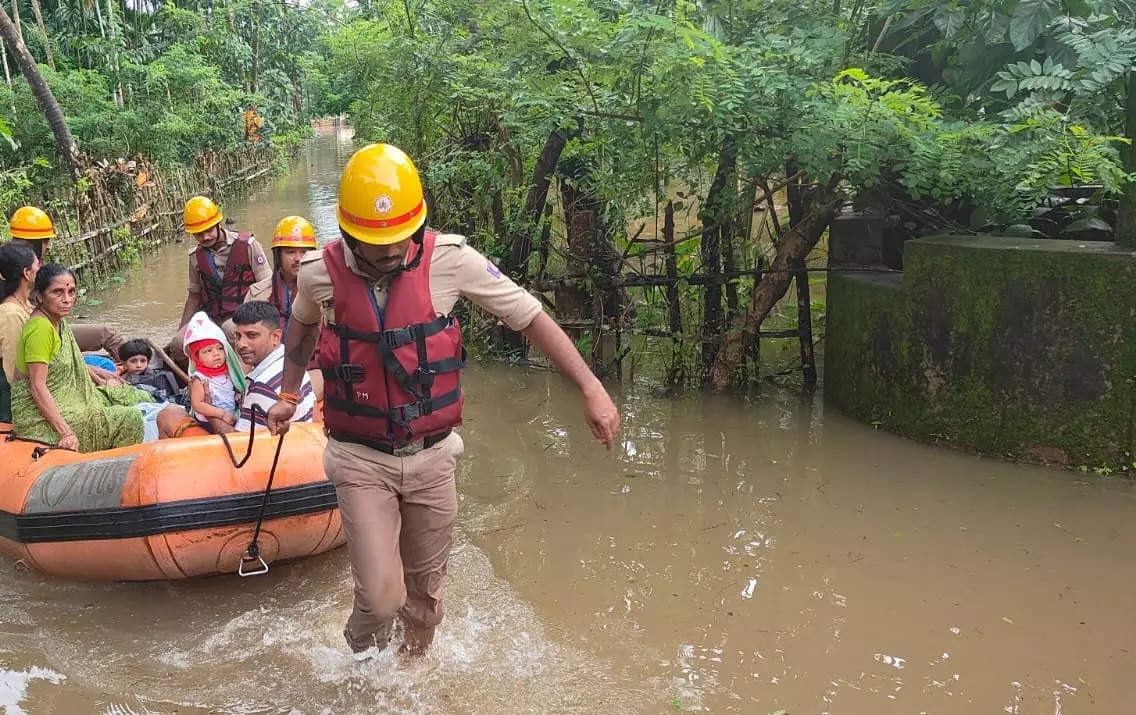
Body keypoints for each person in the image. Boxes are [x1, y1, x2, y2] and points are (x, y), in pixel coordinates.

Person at [265, 143, 621, 657]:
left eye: (400, 243)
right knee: (381, 600)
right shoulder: (320, 273)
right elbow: (300, 328)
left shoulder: (451, 261)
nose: (392, 254)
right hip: (359, 457)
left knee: (426, 606)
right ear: (348, 234)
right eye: (377, 247)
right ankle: (361, 673)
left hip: (432, 457)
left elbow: (529, 317)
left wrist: (591, 387)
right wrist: (286, 392)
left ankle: (409, 678)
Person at [10, 264, 188, 452]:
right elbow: (37, 386)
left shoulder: (57, 321)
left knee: (132, 394)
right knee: (128, 419)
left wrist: (101, 377)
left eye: (71, 291)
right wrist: (66, 433)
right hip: (39, 415)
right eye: (58, 292)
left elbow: (73, 363)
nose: (67, 299)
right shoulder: (40, 329)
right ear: (40, 295)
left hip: (71, 398)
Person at [6, 206, 127, 360]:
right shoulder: (27, 271)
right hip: (39, 333)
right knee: (107, 334)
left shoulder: (17, 264)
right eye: (46, 240)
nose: (48, 245)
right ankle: (132, 369)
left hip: (47, 327)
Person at [178, 196, 272, 328]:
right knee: (179, 342)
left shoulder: (249, 245)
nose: (205, 237)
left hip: (248, 313)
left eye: (209, 230)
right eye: (199, 234)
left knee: (229, 328)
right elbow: (194, 296)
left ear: (219, 225)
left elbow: (267, 285)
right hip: (214, 316)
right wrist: (181, 330)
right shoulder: (195, 257)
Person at [225, 301, 315, 433]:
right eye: (238, 336)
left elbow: (239, 446)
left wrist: (208, 415)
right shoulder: (292, 365)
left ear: (275, 337)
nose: (241, 344)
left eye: (252, 335)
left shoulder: (262, 386)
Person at [182, 311, 247, 432]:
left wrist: (238, 395)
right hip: (209, 420)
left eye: (220, 348)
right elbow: (198, 404)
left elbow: (233, 389)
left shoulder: (228, 372)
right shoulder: (199, 378)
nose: (216, 353)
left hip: (230, 414)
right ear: (196, 357)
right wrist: (221, 414)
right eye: (208, 351)